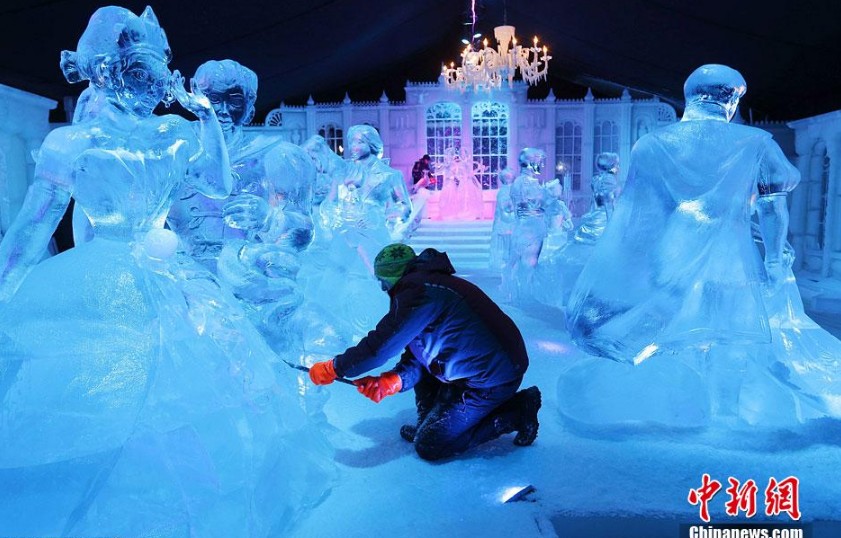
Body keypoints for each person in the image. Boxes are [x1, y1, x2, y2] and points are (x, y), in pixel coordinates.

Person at [0, 7, 332, 535]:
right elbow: (30, 229)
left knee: (187, 386)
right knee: (104, 389)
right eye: (137, 73)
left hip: (166, 270)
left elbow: (219, 186)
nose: (148, 87)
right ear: (104, 70)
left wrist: (203, 117)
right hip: (100, 276)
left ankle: (176, 497)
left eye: (154, 75)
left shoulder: (172, 133)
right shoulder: (72, 143)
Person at [560, 64, 841, 427]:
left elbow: (636, 219)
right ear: (731, 98)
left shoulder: (652, 144)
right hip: (732, 257)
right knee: (729, 336)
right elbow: (773, 207)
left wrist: (620, 277)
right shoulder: (756, 144)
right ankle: (724, 412)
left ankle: (686, 405)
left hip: (671, 255)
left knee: (676, 330)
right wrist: (774, 260)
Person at [307, 243, 542, 461]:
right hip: (478, 365)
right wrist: (393, 381)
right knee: (429, 407)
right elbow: (418, 353)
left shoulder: (419, 293)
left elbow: (378, 347)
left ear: (391, 278)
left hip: (491, 378)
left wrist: (334, 368)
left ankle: (518, 411)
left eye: (383, 282)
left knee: (430, 446)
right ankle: (430, 421)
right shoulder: (427, 286)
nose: (382, 288)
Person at [168, 59, 316, 352]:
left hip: (255, 288)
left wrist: (270, 218)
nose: (221, 110)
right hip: (183, 290)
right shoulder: (173, 154)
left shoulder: (277, 157)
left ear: (248, 106)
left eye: (233, 100)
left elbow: (305, 231)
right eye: (212, 99)